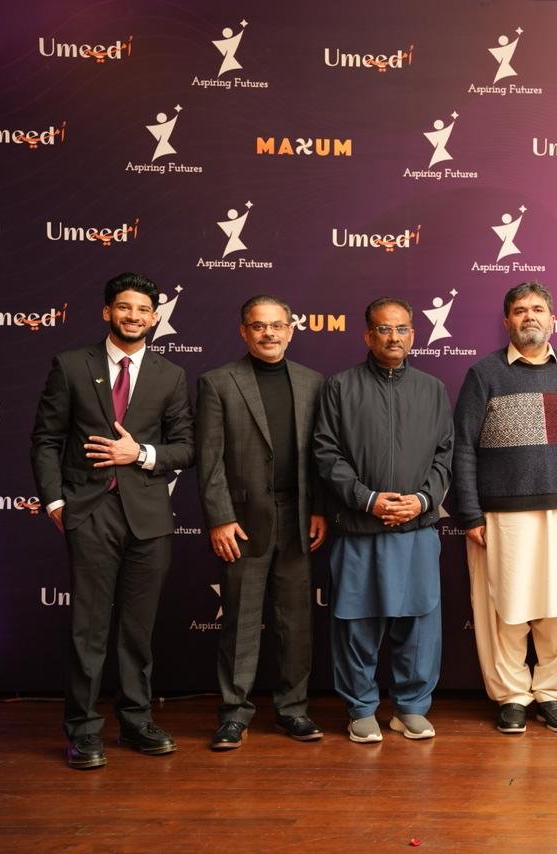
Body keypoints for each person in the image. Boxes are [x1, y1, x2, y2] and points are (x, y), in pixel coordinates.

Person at [30, 272, 194, 769]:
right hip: (89, 512)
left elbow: (185, 447)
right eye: (124, 307)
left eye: (143, 309)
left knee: (137, 630)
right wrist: (55, 503)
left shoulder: (170, 375)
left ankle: (137, 722)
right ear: (107, 312)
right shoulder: (71, 365)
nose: (134, 316)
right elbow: (46, 440)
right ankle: (83, 730)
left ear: (155, 317)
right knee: (89, 629)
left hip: (149, 518)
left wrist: (138, 452)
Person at [453, 282, 557, 735]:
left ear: (553, 319)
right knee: (504, 609)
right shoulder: (483, 373)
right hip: (503, 515)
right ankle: (512, 696)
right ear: (507, 321)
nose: (530, 316)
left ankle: (554, 694)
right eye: (520, 310)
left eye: (538, 309)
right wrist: (470, 514)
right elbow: (463, 448)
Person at [313, 298, 452, 743]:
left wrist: (423, 501)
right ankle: (361, 708)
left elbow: (444, 455)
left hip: (415, 529)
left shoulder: (433, 389)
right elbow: (326, 453)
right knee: (356, 625)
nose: (394, 337)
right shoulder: (339, 386)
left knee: (418, 625)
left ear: (414, 334)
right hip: (359, 528)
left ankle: (410, 708)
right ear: (367, 335)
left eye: (402, 329)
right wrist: (368, 500)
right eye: (384, 329)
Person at [195, 294, 327, 750]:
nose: (268, 333)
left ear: (290, 330)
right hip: (243, 522)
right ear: (243, 331)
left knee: (296, 621)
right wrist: (220, 518)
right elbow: (209, 459)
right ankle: (234, 714)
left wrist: (318, 508)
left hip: (298, 516)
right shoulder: (218, 382)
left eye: (276, 325)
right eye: (258, 325)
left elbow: (321, 455)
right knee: (241, 621)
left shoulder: (313, 383)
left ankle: (294, 710)